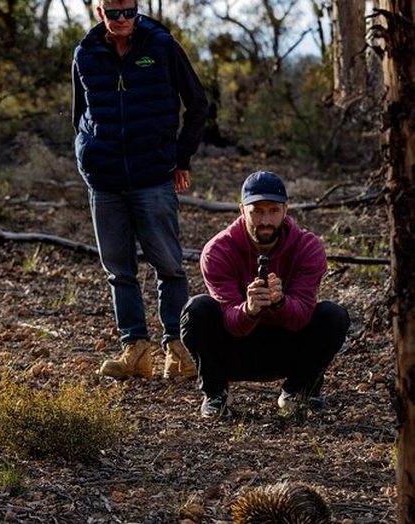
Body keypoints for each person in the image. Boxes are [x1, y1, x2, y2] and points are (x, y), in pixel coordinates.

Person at [72, 1, 208, 379]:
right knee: (119, 270)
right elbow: (79, 114)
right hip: (105, 181)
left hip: (154, 177)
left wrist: (182, 158)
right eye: (113, 13)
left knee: (168, 265)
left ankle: (177, 350)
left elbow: (197, 102)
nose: (122, 20)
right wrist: (88, 159)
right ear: (99, 12)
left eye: (128, 11)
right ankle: (135, 349)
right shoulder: (85, 53)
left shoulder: (161, 45)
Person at [180, 171, 350, 418]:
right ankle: (215, 395)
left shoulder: (308, 248)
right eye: (257, 211)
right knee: (195, 311)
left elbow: (302, 316)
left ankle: (299, 390)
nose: (265, 220)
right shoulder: (217, 251)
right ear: (242, 210)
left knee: (334, 316)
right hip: (236, 348)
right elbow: (231, 321)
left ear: (285, 210)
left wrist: (280, 302)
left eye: (273, 210)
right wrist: (249, 309)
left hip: (287, 345)